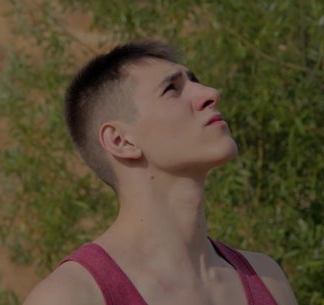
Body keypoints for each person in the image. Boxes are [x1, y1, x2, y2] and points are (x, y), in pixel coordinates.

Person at [23, 40, 298, 305]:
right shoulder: (71, 297)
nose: (210, 93)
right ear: (121, 141)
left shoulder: (267, 278)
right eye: (171, 89)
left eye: (195, 81)